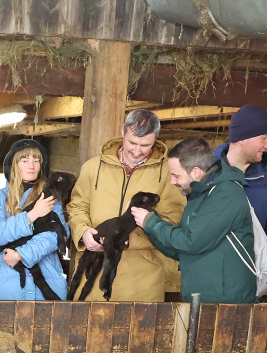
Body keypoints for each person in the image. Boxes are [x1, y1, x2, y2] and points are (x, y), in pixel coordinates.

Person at [66, 108, 186, 302]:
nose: (137, 151)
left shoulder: (169, 173)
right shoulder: (92, 167)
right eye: (132, 142)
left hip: (141, 285)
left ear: (155, 138)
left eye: (145, 145)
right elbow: (77, 206)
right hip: (93, 282)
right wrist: (83, 232)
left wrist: (130, 240)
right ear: (123, 132)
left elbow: (173, 220)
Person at [132, 136, 257, 304]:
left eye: (176, 175)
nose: (172, 181)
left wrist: (151, 222)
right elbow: (181, 250)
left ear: (196, 172)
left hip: (225, 303)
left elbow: (191, 242)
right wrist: (149, 228)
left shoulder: (225, 194)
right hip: (204, 298)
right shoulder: (199, 195)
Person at [0, 138, 68, 301]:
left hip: (48, 284)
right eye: (25, 160)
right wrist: (32, 215)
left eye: (36, 160)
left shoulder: (50, 196)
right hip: (7, 287)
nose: (31, 166)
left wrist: (22, 254)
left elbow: (58, 234)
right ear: (14, 164)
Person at [213, 104, 267, 257]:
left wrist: (260, 264)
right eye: (263, 138)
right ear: (242, 138)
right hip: (209, 274)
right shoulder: (207, 175)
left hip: (251, 274)